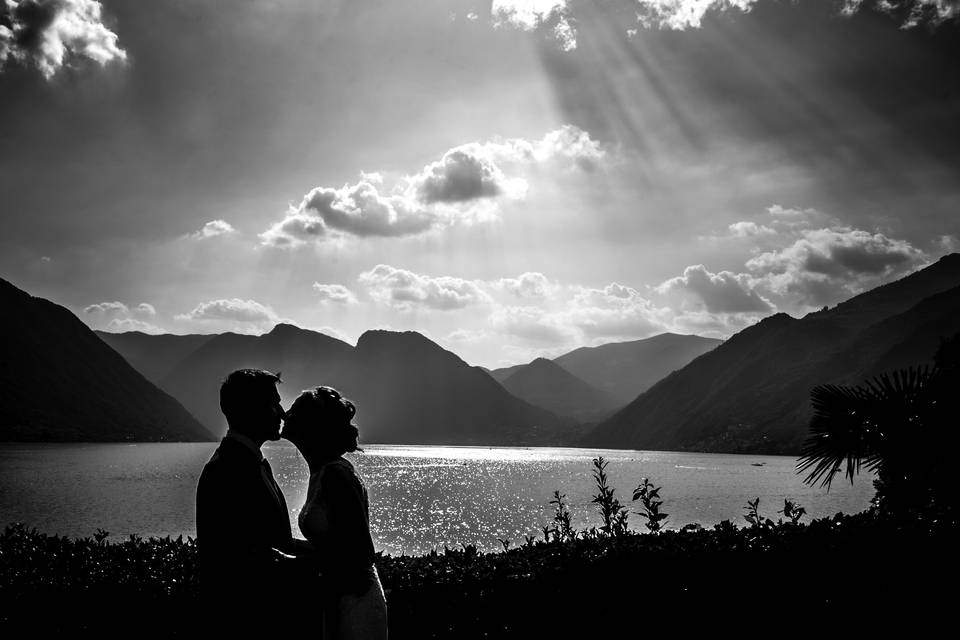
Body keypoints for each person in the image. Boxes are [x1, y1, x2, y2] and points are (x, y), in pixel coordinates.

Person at [195, 368, 317, 631]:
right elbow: (239, 557)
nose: (282, 413)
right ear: (253, 409)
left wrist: (320, 551)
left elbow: (274, 540)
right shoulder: (226, 469)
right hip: (245, 618)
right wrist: (316, 564)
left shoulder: (251, 462)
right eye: (274, 404)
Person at [282, 385, 388, 640]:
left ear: (311, 425)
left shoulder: (335, 475)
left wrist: (296, 560)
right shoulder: (322, 471)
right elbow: (334, 546)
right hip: (340, 595)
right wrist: (287, 546)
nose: (285, 415)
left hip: (355, 601)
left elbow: (361, 553)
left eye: (294, 411)